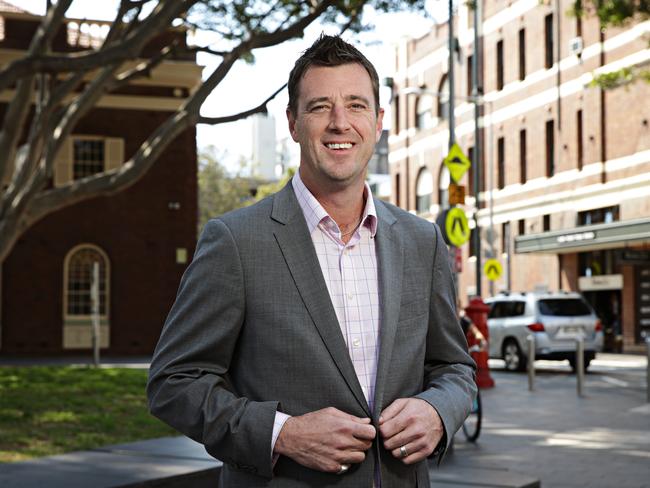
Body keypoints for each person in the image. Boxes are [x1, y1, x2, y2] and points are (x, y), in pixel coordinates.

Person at [147, 34, 476, 487]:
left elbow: (453, 367)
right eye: (321, 106)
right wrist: (283, 434)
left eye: (357, 105)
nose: (340, 123)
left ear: (379, 121)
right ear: (294, 123)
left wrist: (438, 410)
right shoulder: (236, 241)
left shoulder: (422, 241)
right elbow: (174, 382)